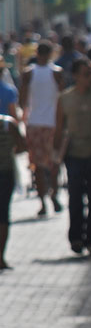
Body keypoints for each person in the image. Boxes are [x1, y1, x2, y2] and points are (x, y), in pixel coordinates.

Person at [53, 58, 91, 256]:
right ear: (76, 75)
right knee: (75, 198)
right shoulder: (65, 98)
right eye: (86, 74)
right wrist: (55, 156)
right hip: (74, 154)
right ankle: (76, 237)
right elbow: (59, 128)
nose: (90, 77)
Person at [19, 40, 64, 216]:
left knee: (37, 165)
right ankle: (54, 195)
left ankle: (42, 202)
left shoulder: (28, 73)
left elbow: (22, 101)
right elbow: (62, 99)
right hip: (52, 123)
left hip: (35, 123)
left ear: (36, 53)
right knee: (54, 163)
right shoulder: (57, 73)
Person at [0, 114, 26, 270]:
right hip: (5, 173)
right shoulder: (9, 124)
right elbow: (22, 146)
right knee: (3, 215)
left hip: (6, 174)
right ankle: (0, 258)